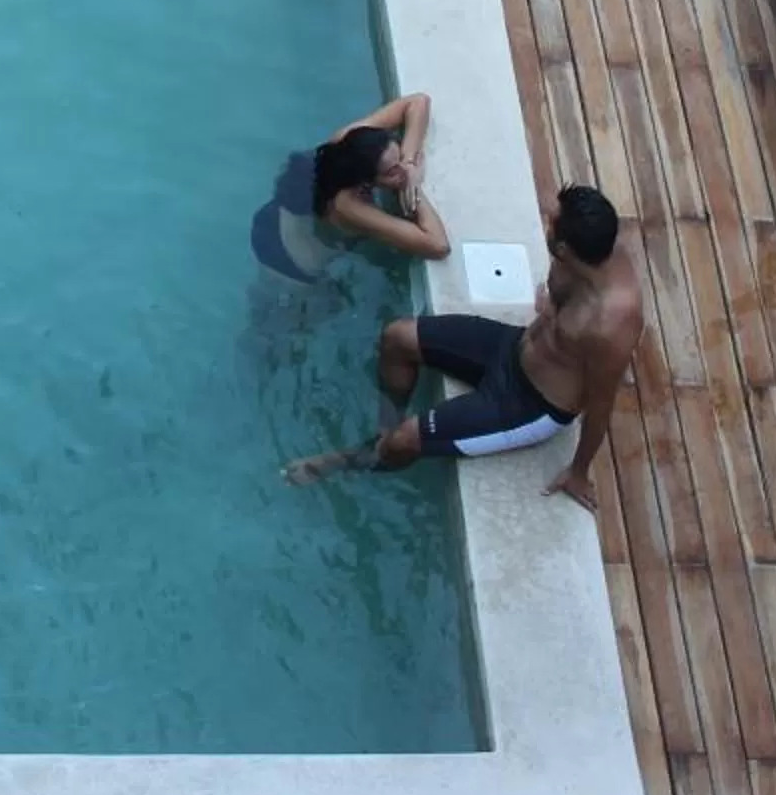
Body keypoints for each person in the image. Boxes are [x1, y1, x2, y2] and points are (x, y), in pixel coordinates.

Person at [282, 184, 641, 512]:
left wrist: (578, 471)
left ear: (563, 248)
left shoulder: (609, 325)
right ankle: (382, 433)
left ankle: (342, 462)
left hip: (529, 404)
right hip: (513, 347)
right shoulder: (591, 244)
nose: (544, 222)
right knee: (397, 337)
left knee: (407, 440)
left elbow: (600, 405)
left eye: (550, 224)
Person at [249, 93, 451, 283]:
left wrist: (408, 162)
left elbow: (418, 102)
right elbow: (438, 245)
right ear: (365, 182)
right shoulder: (348, 205)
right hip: (289, 263)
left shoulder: (347, 142)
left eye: (397, 154)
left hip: (279, 217)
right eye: (391, 172)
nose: (402, 171)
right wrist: (411, 185)